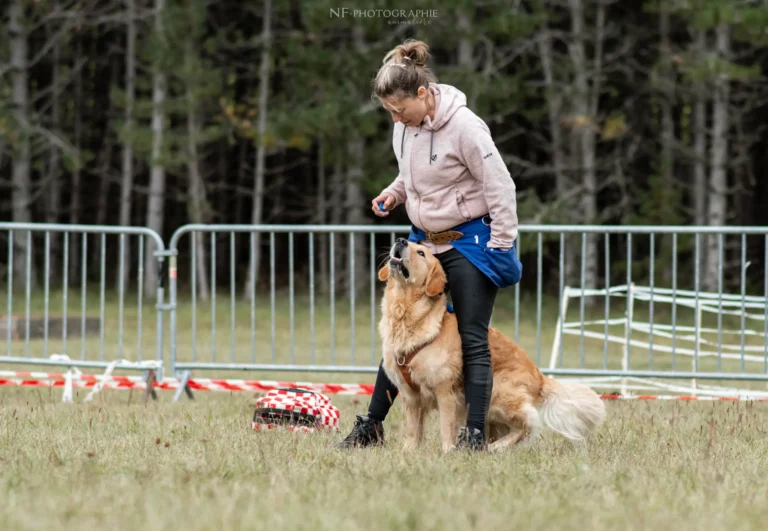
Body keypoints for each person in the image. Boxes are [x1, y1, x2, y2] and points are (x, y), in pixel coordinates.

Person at [334, 39, 522, 451]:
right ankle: (371, 427)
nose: (395, 117)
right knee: (400, 337)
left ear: (423, 93)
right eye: (388, 111)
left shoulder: (466, 127)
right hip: (424, 241)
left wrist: (500, 242)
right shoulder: (405, 126)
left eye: (399, 109)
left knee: (472, 337)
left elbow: (500, 186)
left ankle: (472, 433)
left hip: (471, 241)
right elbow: (415, 175)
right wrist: (395, 193)